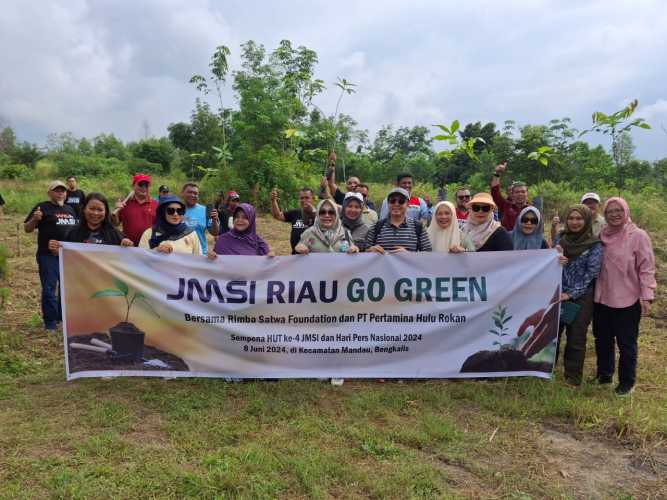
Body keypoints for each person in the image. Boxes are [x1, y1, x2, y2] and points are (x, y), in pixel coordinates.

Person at [593, 198, 656, 396]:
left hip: (627, 299)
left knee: (626, 343)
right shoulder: (601, 235)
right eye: (610, 211)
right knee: (602, 339)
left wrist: (647, 295)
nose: (614, 214)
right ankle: (604, 375)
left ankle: (627, 382)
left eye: (618, 210)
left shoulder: (638, 236)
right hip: (602, 297)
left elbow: (646, 268)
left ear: (626, 211)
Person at [553, 204, 603, 386]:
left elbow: (592, 274)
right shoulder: (560, 238)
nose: (574, 222)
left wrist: (571, 293)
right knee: (552, 334)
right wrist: (556, 259)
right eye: (571, 218)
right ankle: (545, 370)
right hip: (557, 293)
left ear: (587, 220)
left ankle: (572, 378)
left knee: (576, 337)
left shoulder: (594, 244)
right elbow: (549, 263)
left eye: (579, 219)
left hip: (582, 297)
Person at [24, 181, 78, 331]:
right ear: (49, 193)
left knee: (65, 288)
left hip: (67, 255)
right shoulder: (42, 207)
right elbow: (27, 229)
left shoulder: (70, 209)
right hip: (47, 255)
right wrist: (35, 219)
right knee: (49, 288)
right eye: (57, 190)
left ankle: (61, 318)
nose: (60, 193)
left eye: (63, 190)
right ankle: (50, 323)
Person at [48, 193, 134, 251]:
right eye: (91, 209)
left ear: (106, 212)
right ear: (84, 209)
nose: (95, 213)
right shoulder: (73, 232)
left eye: (100, 210)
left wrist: (127, 244)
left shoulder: (114, 233)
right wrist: (56, 249)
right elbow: (64, 254)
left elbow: (129, 253)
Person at [366, 188, 432, 253]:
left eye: (401, 201)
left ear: (408, 204)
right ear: (388, 203)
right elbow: (364, 251)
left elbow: (428, 253)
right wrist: (370, 250)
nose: (396, 204)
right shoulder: (376, 227)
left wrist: (409, 255)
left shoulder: (418, 227)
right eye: (392, 201)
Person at [112, 173, 158, 246]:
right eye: (140, 185)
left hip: (148, 247)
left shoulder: (156, 205)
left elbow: (159, 228)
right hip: (127, 246)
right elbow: (115, 224)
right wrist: (116, 211)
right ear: (133, 186)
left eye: (146, 185)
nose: (144, 188)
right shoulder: (124, 203)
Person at [270, 187, 316, 254]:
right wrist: (273, 201)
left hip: (313, 256)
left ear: (313, 199)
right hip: (296, 255)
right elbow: (277, 216)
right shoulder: (295, 213)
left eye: (307, 198)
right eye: (301, 198)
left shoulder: (321, 214)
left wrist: (313, 211)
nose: (304, 200)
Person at [181, 182, 220, 255]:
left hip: (200, 254)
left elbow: (215, 233)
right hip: (181, 253)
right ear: (182, 193)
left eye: (195, 193)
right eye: (189, 192)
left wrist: (214, 220)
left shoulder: (204, 210)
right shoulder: (175, 210)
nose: (192, 195)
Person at [490, 162, 529, 230]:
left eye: (523, 192)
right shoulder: (506, 206)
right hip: (507, 240)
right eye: (517, 192)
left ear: (527, 194)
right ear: (512, 194)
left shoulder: (532, 210)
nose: (520, 194)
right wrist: (497, 174)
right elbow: (495, 192)